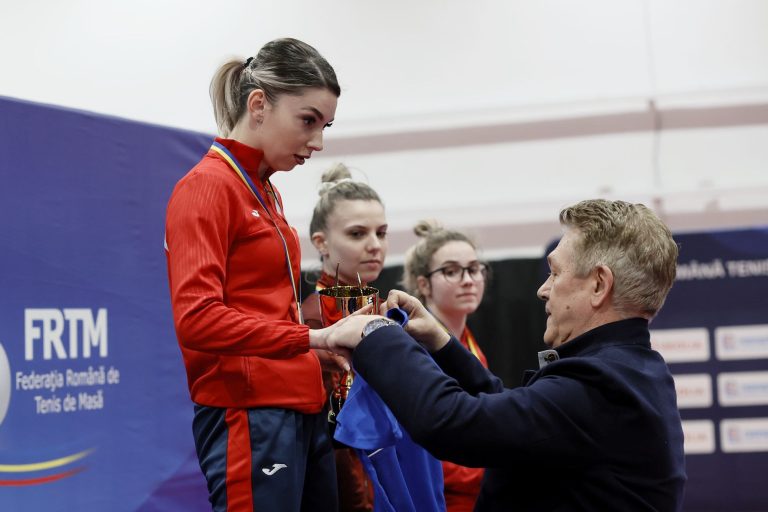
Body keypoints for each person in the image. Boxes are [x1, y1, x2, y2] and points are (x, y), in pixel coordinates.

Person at [313, 199, 687, 511]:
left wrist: (376, 333)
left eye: (555, 274)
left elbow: (456, 423)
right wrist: (442, 343)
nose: (543, 290)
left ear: (599, 285)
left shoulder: (602, 386)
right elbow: (512, 416)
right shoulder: (629, 372)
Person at [164, 38, 343, 512]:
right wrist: (311, 341)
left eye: (325, 125)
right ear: (259, 104)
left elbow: (264, 309)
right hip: (249, 416)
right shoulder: (206, 188)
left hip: (299, 407)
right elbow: (197, 320)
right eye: (308, 121)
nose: (318, 141)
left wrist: (314, 353)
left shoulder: (266, 190)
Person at [301, 162, 388, 512]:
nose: (374, 245)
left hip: (380, 465)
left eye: (381, 233)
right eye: (357, 234)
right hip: (336, 477)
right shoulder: (312, 317)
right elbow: (329, 426)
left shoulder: (377, 306)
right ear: (321, 242)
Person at [401, 220, 490, 512]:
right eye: (451, 271)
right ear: (423, 284)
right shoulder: (415, 347)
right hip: (441, 496)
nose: (468, 279)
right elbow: (420, 440)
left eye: (474, 268)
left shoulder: (469, 340)